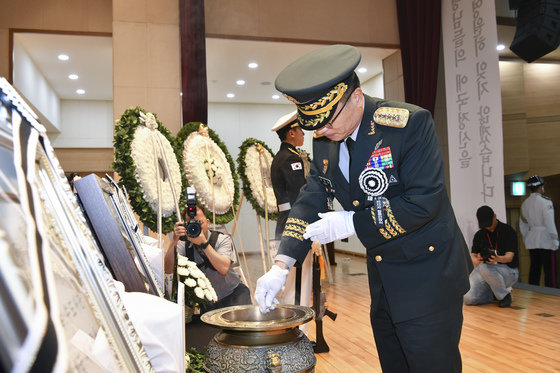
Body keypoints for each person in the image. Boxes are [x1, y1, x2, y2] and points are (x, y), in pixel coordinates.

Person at [254, 44, 472, 372]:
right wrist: (281, 265)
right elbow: (311, 197)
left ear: (356, 97)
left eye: (327, 122)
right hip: (385, 279)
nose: (322, 132)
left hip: (428, 277)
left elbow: (423, 202)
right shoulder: (327, 136)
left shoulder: (408, 125)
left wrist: (353, 222)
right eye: (315, 125)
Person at [270, 111, 313, 333]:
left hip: (284, 220)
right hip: (296, 223)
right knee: (298, 280)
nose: (303, 134)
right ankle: (297, 330)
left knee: (290, 278)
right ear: (291, 132)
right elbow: (300, 196)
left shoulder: (279, 157)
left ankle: (290, 327)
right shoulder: (291, 158)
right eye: (300, 130)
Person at [164, 205, 251, 312]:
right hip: (209, 301)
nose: (196, 227)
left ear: (208, 222)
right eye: (191, 224)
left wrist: (203, 244)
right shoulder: (184, 244)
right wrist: (174, 241)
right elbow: (168, 270)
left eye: (199, 223)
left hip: (234, 294)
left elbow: (223, 269)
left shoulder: (222, 239)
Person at [464, 206, 519, 308]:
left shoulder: (508, 231)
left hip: (508, 271)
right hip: (485, 271)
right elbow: (472, 256)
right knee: (468, 299)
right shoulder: (479, 235)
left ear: (495, 216)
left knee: (486, 267)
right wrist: (477, 259)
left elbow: (510, 257)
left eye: (489, 224)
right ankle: (493, 294)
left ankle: (504, 296)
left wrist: (497, 258)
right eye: (485, 225)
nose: (488, 227)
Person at [519, 175, 559, 287]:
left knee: (534, 268)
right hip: (546, 239)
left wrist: (526, 238)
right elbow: (549, 222)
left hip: (532, 239)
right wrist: (554, 239)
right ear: (540, 187)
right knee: (550, 270)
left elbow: (523, 223)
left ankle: (533, 292)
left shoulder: (525, 203)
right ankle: (552, 294)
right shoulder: (546, 202)